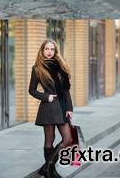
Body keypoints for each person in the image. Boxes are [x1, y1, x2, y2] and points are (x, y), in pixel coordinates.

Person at [29, 39, 75, 177]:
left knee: (68, 139)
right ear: (42, 51)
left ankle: (47, 166)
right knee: (49, 139)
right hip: (48, 108)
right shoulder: (37, 68)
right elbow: (31, 90)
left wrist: (69, 108)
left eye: (52, 49)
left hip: (61, 107)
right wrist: (45, 97)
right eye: (47, 49)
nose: (49, 52)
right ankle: (51, 172)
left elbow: (66, 90)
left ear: (56, 51)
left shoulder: (61, 66)